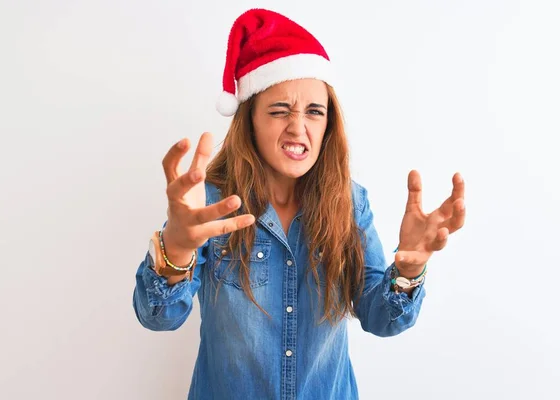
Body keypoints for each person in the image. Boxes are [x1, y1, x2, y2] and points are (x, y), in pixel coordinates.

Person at [132, 8, 465, 400]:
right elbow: (158, 317)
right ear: (250, 119)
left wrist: (410, 267)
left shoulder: (351, 202)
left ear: (328, 125)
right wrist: (177, 248)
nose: (298, 127)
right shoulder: (210, 204)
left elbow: (381, 318)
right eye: (279, 110)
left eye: (314, 112)